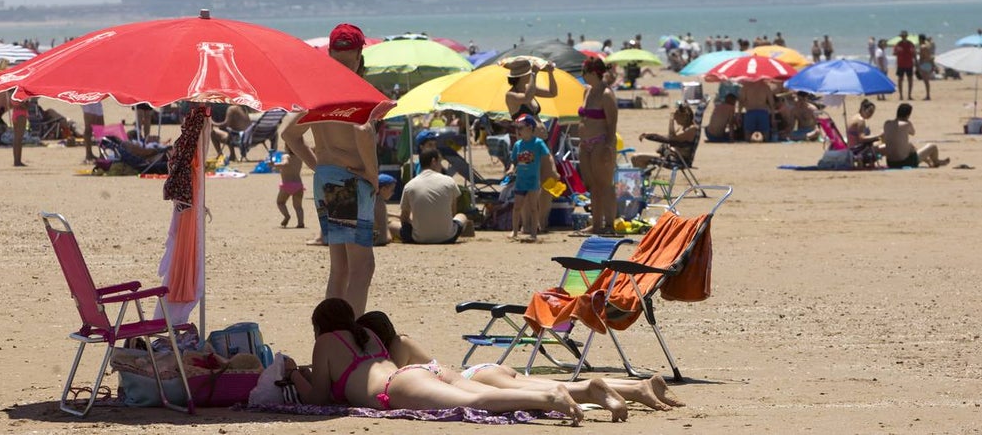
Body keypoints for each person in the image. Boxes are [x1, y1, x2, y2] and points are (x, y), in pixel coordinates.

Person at [282, 298, 583, 421]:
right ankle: (547, 393)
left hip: (397, 387)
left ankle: (548, 397)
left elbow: (318, 398)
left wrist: (295, 373)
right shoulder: (365, 334)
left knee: (476, 403)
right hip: (415, 373)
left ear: (320, 325)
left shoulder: (325, 342)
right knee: (484, 394)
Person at [357, 310, 684, 417]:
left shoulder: (393, 349)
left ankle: (625, 389)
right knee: (544, 385)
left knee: (544, 390)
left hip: (475, 377)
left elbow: (404, 377)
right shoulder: (403, 339)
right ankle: (636, 387)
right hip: (481, 371)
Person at [282, 23, 379, 316]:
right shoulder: (356, 88)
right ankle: (351, 337)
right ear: (360, 55)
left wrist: (317, 165)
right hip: (351, 180)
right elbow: (363, 131)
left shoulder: (320, 93)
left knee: (340, 268)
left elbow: (289, 134)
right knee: (363, 267)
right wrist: (372, 177)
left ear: (330, 54)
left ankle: (331, 335)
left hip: (327, 180)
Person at [578, 57, 618, 235]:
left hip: (601, 141)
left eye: (584, 73)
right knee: (592, 185)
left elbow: (612, 125)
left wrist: (609, 148)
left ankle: (609, 224)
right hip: (585, 143)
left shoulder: (606, 94)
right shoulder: (587, 91)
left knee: (605, 184)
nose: (582, 76)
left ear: (594, 73)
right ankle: (596, 224)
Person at [396, 148, 469, 244]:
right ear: (433, 161)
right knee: (461, 216)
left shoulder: (410, 185)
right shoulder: (449, 181)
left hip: (419, 238)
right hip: (447, 237)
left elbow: (404, 218)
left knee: (393, 225)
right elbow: (453, 212)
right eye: (440, 162)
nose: (441, 165)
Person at [506, 114, 552, 243]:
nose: (518, 131)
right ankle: (514, 231)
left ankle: (533, 233)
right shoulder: (518, 145)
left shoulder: (538, 143)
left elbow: (547, 156)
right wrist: (511, 169)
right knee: (517, 207)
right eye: (517, 128)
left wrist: (550, 171)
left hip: (533, 180)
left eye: (521, 128)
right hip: (521, 180)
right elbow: (514, 161)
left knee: (533, 207)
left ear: (530, 128)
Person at [881, 103, 949, 169]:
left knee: (910, 146)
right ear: (908, 115)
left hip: (890, 162)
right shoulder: (906, 124)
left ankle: (929, 160)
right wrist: (908, 121)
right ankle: (936, 161)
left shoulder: (887, 123)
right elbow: (913, 132)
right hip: (904, 162)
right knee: (933, 146)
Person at [631, 103, 698, 169]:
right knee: (634, 158)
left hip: (677, 160)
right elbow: (669, 137)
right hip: (670, 156)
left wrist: (671, 121)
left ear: (684, 116)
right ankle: (644, 177)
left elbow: (671, 138)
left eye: (676, 115)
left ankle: (643, 178)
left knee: (637, 158)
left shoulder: (692, 129)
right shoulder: (683, 128)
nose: (675, 118)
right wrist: (649, 135)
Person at [504, 58, 558, 137]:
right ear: (522, 76)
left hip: (542, 140)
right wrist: (534, 74)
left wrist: (550, 73)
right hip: (527, 144)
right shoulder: (510, 95)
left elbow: (552, 93)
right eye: (529, 73)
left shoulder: (529, 89)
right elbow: (527, 98)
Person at [277, 146, 306, 229]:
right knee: (298, 206)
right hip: (298, 184)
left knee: (280, 202)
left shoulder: (285, 156)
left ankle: (287, 216)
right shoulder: (299, 157)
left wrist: (274, 164)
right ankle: (301, 223)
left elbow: (285, 163)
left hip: (287, 185)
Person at [893, 31, 916, 101]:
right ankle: (901, 95)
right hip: (901, 64)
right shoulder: (898, 44)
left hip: (909, 64)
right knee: (900, 80)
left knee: (910, 80)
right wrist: (897, 52)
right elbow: (894, 53)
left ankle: (909, 95)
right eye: (902, 36)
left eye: (904, 36)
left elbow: (914, 53)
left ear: (906, 36)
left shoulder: (910, 44)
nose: (903, 37)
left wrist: (916, 62)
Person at [916, 34, 935, 101]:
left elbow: (921, 58)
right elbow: (930, 56)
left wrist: (918, 65)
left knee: (926, 81)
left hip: (924, 64)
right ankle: (928, 95)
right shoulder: (928, 46)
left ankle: (928, 95)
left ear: (920, 39)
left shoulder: (922, 47)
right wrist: (933, 65)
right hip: (929, 64)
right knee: (927, 81)